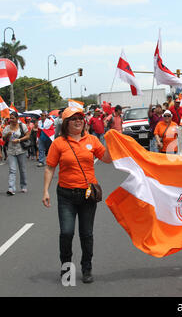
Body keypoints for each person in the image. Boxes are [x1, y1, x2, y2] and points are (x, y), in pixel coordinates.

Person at [42, 107, 112, 284]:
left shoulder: (92, 140)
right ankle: (66, 269)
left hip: (88, 195)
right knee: (66, 233)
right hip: (66, 195)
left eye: (80, 118)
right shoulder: (58, 143)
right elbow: (50, 167)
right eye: (73, 119)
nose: (78, 121)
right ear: (66, 123)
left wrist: (113, 142)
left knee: (86, 234)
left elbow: (106, 158)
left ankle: (86, 268)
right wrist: (45, 191)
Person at [2, 111, 31, 195]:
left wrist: (19, 140)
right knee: (12, 170)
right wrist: (8, 134)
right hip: (11, 151)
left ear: (17, 119)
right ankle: (11, 188)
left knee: (22, 169)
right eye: (10, 118)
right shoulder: (7, 128)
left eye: (12, 118)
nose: (10, 120)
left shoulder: (22, 126)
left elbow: (28, 135)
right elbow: (4, 139)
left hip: (21, 150)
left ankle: (23, 186)